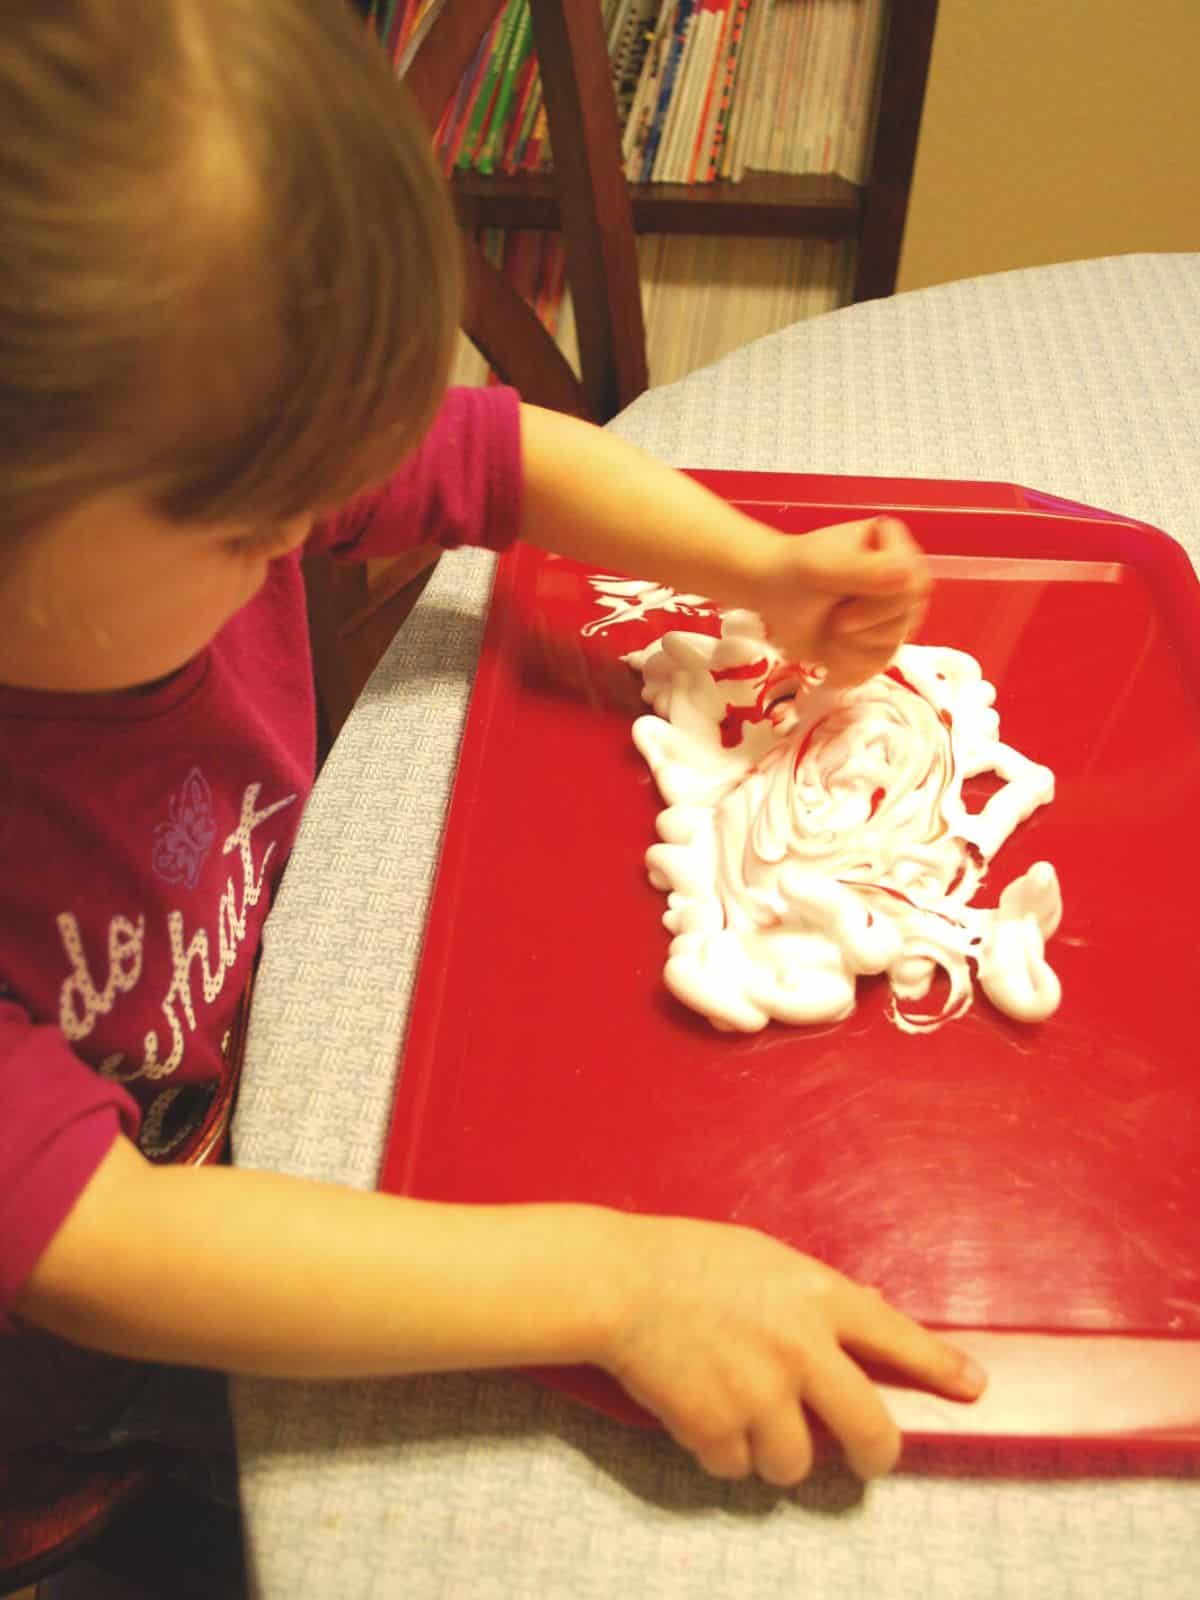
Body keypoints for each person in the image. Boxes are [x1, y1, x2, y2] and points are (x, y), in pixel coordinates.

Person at [0, 0, 983, 1496]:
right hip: (89, 1406)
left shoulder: (158, 460)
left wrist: (758, 572)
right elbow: (101, 1246)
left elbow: (494, 458)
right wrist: (616, 1286)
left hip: (263, 1061)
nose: (310, 534)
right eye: (265, 527)